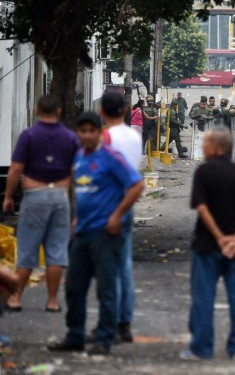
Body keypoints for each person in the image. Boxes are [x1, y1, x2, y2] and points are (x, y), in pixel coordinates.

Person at [48, 111, 143, 356]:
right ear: (78, 134)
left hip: (105, 233)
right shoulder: (78, 157)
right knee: (74, 287)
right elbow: (82, 190)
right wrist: (77, 217)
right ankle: (75, 335)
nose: (87, 135)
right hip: (82, 232)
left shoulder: (111, 157)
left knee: (106, 289)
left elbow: (136, 185)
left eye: (92, 130)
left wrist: (117, 215)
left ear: (99, 133)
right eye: (83, 131)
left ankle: (104, 337)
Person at [180, 126, 235, 361]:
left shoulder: (203, 172)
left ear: (215, 146)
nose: (202, 147)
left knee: (203, 299)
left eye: (205, 143)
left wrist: (220, 237)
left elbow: (202, 208)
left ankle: (202, 348)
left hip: (207, 246)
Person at [2, 95, 79, 313]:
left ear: (37, 111)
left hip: (35, 195)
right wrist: (75, 204)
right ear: (58, 112)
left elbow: (16, 169)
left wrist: (8, 196)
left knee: (27, 249)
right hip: (60, 196)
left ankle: (16, 298)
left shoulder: (29, 135)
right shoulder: (69, 137)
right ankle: (52, 301)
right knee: (56, 252)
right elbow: (75, 172)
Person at [100, 91, 143, 343]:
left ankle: (112, 320)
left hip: (109, 202)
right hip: (129, 199)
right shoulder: (133, 137)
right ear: (126, 111)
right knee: (124, 265)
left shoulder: (105, 138)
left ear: (103, 113)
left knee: (110, 266)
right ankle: (124, 321)